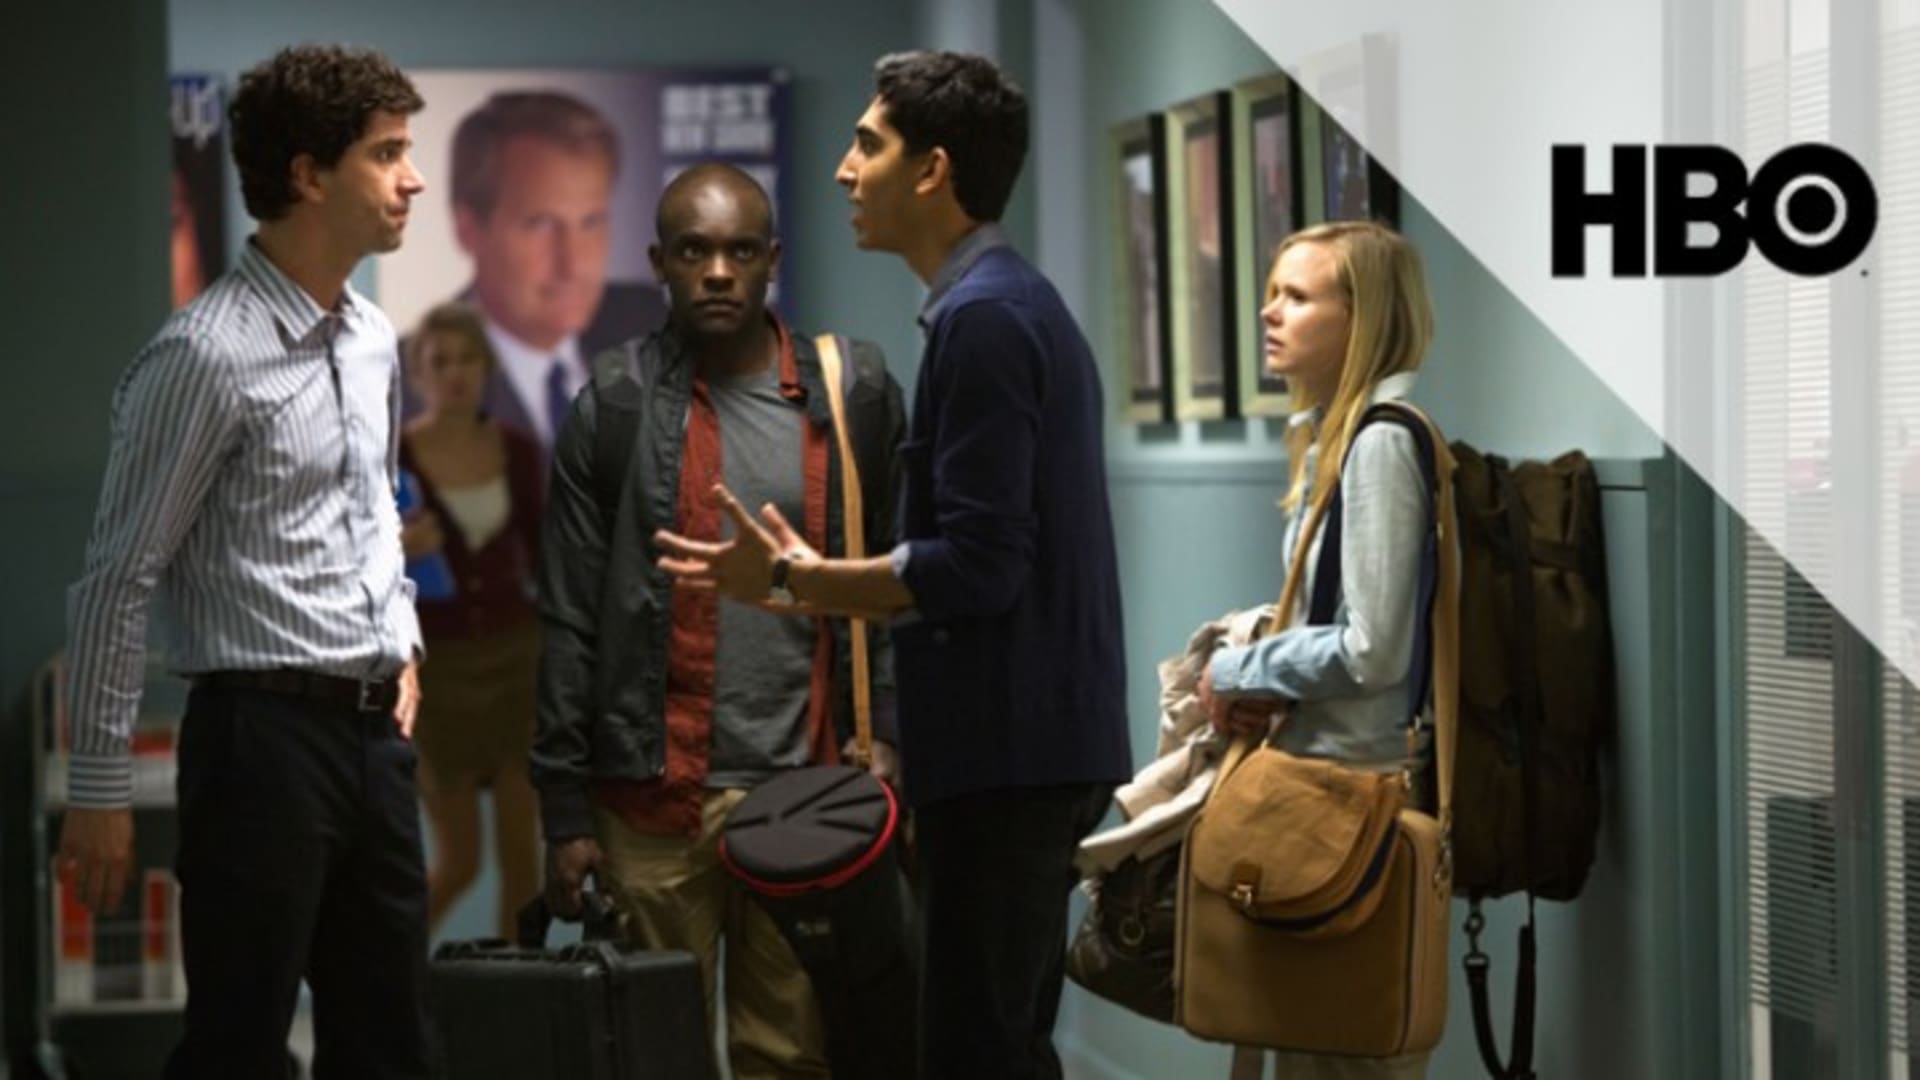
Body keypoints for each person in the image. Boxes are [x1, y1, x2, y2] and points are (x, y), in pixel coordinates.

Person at [653, 51, 1133, 1080]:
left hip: (1010, 759)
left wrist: (793, 581)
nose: (844, 168)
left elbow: (980, 565)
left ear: (932, 170)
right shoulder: (993, 305)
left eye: (867, 144)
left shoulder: (987, 318)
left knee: (974, 1052)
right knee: (995, 1045)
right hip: (1021, 751)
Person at [59, 45, 431, 1078]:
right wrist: (98, 789)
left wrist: (403, 639)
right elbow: (118, 578)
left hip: (373, 740)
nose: (412, 178)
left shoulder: (371, 337)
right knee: (239, 1047)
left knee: (395, 1045)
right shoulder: (203, 355)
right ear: (308, 175)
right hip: (258, 741)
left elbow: (377, 508)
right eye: (386, 153)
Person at [531, 162, 906, 1080]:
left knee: (791, 1057)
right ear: (659, 262)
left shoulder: (851, 396)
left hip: (806, 789)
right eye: (694, 252)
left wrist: (890, 736)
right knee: (655, 1053)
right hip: (652, 797)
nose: (718, 273)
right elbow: (570, 616)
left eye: (741, 252)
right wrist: (563, 810)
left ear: (773, 259)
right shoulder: (616, 403)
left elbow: (895, 589)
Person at [1197, 220, 1441, 1080]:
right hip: (1324, 786)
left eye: (1297, 297)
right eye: (1273, 293)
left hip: (1351, 801)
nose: (1270, 312)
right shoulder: (1339, 437)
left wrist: (1237, 668)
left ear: (1361, 318)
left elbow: (1374, 649)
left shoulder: (1379, 444)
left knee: (1340, 1053)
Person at [399, 302, 545, 940]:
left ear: (487, 368)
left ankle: (514, 990)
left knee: (524, 862)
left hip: (517, 662)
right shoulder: (394, 455)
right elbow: (348, 562)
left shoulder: (517, 449)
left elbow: (545, 551)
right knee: (460, 861)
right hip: (439, 671)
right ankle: (384, 979)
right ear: (418, 373)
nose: (455, 374)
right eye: (441, 362)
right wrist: (397, 549)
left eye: (467, 360)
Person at [429, 89, 667, 451]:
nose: (573, 264)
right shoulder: (401, 392)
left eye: (591, 222)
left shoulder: (656, 329)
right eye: (540, 224)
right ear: (468, 230)